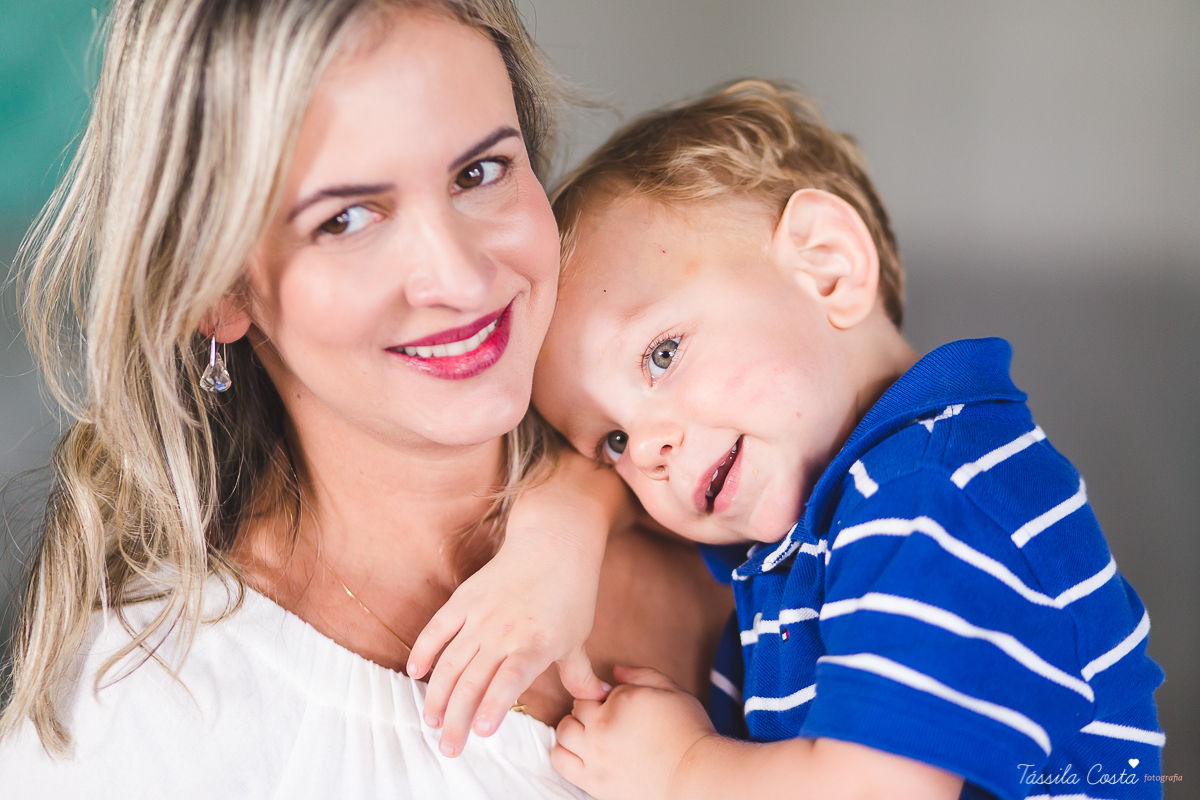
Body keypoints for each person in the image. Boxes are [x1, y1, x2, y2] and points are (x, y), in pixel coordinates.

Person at [0, 1, 732, 796]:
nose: (459, 279)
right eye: (346, 219)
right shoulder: (151, 716)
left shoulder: (732, 469)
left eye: (478, 173)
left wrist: (573, 513)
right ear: (215, 290)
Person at [531, 81, 1166, 800]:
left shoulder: (932, 496)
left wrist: (683, 769)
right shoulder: (817, 523)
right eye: (612, 439)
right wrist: (560, 524)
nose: (645, 450)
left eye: (663, 354)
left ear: (828, 267)